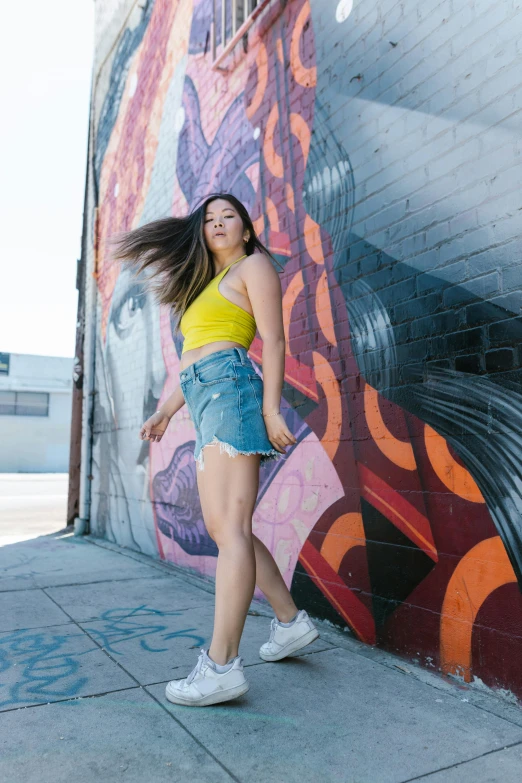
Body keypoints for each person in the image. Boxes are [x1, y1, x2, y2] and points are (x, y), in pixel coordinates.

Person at [111, 192, 319, 707]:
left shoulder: (254, 267)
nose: (219, 223)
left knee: (230, 529)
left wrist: (272, 411)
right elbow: (194, 359)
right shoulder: (202, 286)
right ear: (201, 232)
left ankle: (222, 665)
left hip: (233, 391)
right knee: (228, 529)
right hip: (206, 396)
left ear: (246, 230)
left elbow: (272, 342)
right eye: (209, 218)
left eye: (229, 216)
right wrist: (166, 411)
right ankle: (290, 623)